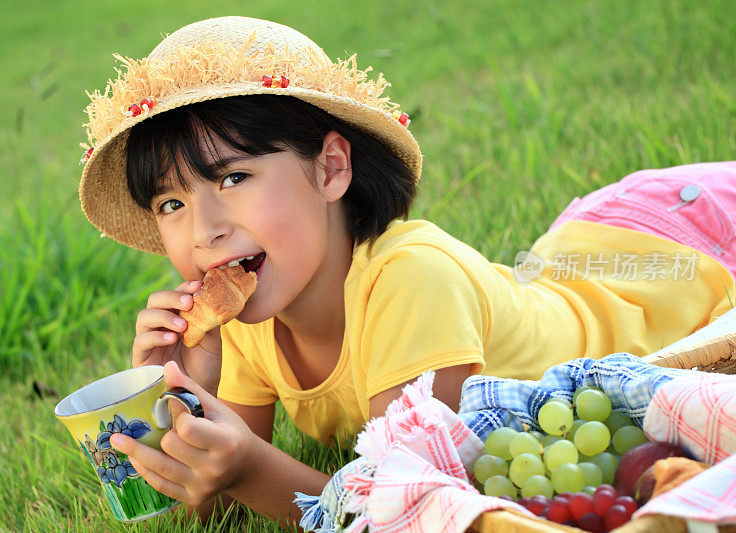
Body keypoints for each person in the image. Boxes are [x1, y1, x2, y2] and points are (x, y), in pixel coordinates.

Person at [76, 16, 736, 527]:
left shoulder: (411, 280)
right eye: (171, 202)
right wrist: (185, 398)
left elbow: (396, 508)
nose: (204, 227)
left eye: (234, 175)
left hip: (661, 263)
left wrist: (250, 464)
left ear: (331, 168)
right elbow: (219, 509)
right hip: (567, 265)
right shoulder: (247, 316)